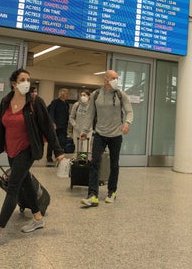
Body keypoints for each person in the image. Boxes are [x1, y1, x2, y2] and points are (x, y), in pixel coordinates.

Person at [0, 69, 65, 248]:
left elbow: (48, 127)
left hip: (27, 150)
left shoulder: (34, 102)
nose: (26, 82)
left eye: (28, 79)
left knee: (13, 187)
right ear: (13, 83)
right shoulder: (5, 102)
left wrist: (58, 150)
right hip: (11, 150)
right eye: (22, 79)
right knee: (24, 182)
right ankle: (38, 218)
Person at [80, 70, 133, 207]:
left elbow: (129, 111)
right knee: (94, 162)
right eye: (113, 78)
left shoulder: (121, 95)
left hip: (116, 135)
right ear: (106, 79)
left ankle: (112, 191)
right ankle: (93, 195)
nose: (116, 80)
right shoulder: (96, 94)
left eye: (117, 78)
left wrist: (127, 123)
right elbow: (90, 114)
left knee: (114, 164)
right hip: (100, 134)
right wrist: (84, 131)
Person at [47, 88, 70, 165]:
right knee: (52, 141)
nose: (67, 95)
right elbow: (51, 112)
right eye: (66, 94)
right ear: (62, 94)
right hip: (55, 126)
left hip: (63, 126)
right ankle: (49, 156)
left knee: (62, 142)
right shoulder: (55, 102)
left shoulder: (66, 104)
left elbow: (67, 115)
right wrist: (52, 122)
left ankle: (59, 156)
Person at [69, 89, 92, 153]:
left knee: (85, 149)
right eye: (81, 95)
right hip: (77, 130)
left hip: (87, 131)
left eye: (84, 95)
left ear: (89, 96)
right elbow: (71, 117)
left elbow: (93, 118)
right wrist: (75, 125)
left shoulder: (92, 106)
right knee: (77, 148)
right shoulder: (76, 105)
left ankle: (83, 161)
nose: (82, 97)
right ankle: (77, 161)